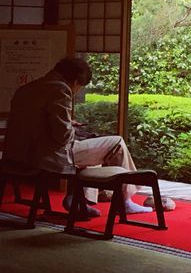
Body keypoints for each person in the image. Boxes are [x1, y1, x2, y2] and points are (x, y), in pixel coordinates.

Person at [3, 57, 158, 219]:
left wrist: (67, 124)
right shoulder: (59, 89)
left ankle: (80, 200)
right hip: (46, 157)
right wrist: (70, 128)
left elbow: (34, 123)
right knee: (116, 143)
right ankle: (125, 201)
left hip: (17, 156)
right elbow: (62, 136)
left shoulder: (26, 89)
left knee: (94, 149)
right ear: (76, 81)